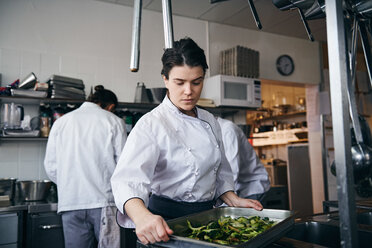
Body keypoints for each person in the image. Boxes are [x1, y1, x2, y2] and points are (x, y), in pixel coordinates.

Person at [110, 37, 263, 247]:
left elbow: (220, 172)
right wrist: (142, 217)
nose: (189, 91)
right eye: (179, 83)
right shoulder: (152, 124)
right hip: (167, 224)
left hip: (208, 220)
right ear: (165, 80)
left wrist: (232, 198)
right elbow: (127, 181)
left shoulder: (210, 121)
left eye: (196, 82)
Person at [44, 85, 127, 248]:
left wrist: (70, 184)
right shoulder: (114, 121)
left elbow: (51, 166)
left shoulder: (61, 122)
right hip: (103, 202)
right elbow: (123, 165)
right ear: (110, 107)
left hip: (70, 201)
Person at [217, 117, 270, 201]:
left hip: (252, 187)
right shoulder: (214, 131)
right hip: (239, 188)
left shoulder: (228, 130)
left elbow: (232, 170)